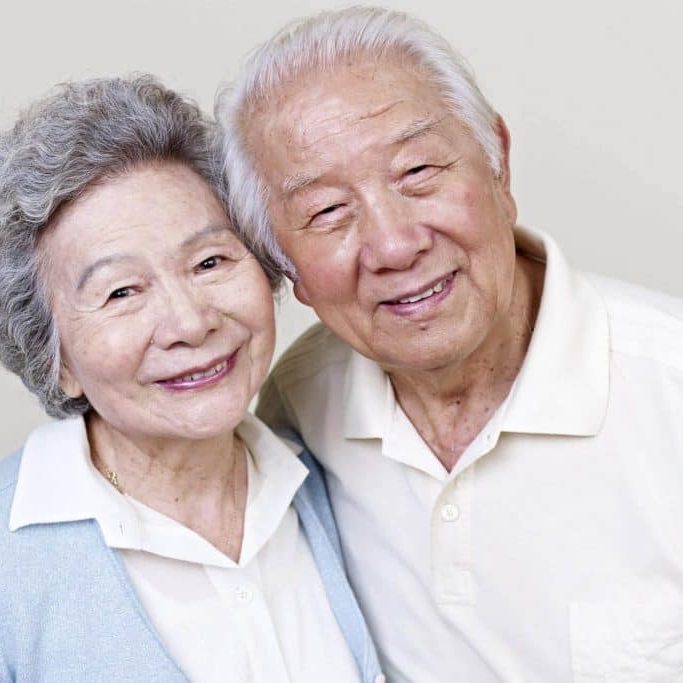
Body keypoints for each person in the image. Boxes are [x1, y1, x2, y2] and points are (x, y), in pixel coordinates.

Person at [216, 6, 683, 682]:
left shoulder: (668, 384)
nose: (394, 244)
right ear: (283, 267)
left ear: (498, 164)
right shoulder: (298, 402)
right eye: (326, 212)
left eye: (418, 172)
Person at [0, 75, 383, 683]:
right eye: (121, 291)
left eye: (210, 261)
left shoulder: (341, 478)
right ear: (57, 360)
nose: (189, 321)